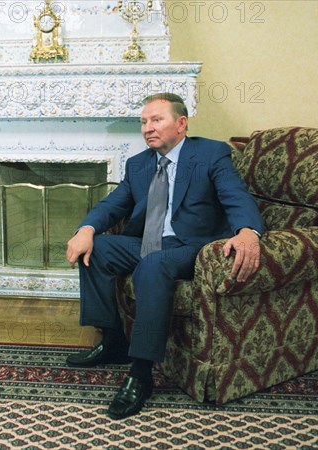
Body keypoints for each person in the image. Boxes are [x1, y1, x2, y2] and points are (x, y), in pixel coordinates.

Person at [65, 93, 264, 419]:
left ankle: (141, 373)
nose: (147, 128)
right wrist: (86, 229)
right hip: (148, 242)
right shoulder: (139, 164)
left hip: (190, 246)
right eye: (143, 122)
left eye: (156, 120)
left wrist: (247, 231)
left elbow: (235, 196)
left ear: (181, 124)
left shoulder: (210, 153)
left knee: (154, 263)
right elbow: (113, 205)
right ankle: (113, 340)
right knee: (97, 248)